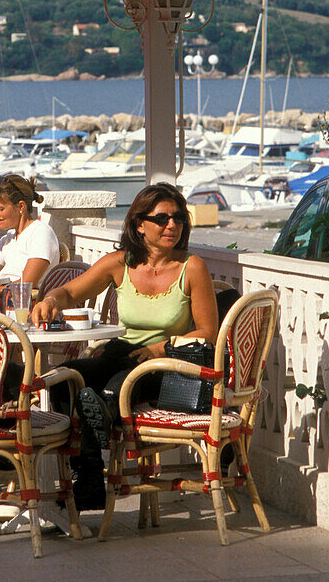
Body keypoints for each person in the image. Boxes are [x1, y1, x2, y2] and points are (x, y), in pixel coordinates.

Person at [31, 182, 218, 511]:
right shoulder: (120, 263)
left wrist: (160, 349)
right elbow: (70, 293)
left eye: (178, 218)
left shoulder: (193, 268)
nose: (172, 225)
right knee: (65, 378)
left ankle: (91, 475)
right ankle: (86, 471)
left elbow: (208, 332)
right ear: (138, 224)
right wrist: (50, 300)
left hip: (166, 363)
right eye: (162, 219)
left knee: (111, 391)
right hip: (121, 353)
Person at [0, 173, 60, 307]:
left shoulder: (41, 233)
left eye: (0, 208)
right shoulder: (8, 239)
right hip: (1, 299)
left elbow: (27, 284)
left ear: (21, 206)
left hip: (19, 305)